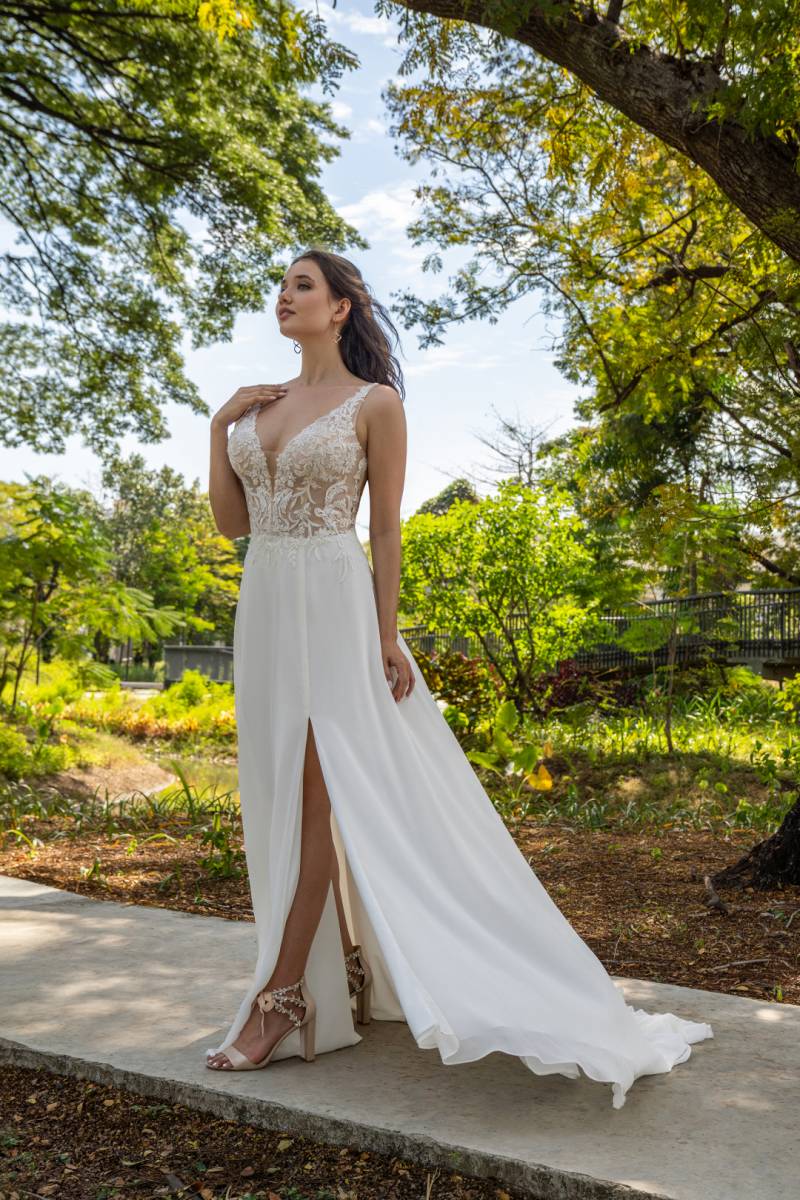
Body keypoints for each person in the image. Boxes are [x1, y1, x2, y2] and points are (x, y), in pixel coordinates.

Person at [204, 248, 713, 1107]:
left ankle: (282, 998)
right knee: (277, 793)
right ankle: (341, 975)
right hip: (266, 606)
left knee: (319, 793)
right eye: (281, 285)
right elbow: (230, 525)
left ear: (341, 307)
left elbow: (386, 529)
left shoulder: (376, 403)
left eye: (302, 284)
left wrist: (386, 634)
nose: (283, 296)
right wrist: (219, 425)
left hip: (333, 602)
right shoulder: (258, 406)